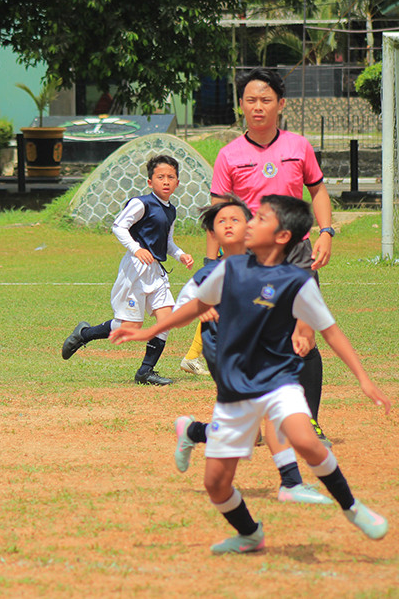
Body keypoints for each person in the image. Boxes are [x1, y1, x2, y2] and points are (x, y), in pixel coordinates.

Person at [112, 194, 391, 554]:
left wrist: (364, 380)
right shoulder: (228, 271)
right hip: (235, 389)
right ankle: (249, 534)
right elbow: (198, 305)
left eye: (259, 218)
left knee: (305, 440)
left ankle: (352, 508)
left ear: (281, 236)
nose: (249, 223)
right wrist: (148, 331)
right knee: (216, 485)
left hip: (278, 380)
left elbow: (331, 331)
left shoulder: (297, 281)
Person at [171, 195, 331, 505]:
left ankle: (194, 432)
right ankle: (289, 482)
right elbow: (181, 312)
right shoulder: (208, 274)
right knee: (256, 427)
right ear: (214, 234)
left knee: (262, 422)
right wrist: (200, 310)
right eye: (222, 222)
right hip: (225, 354)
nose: (230, 225)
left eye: (238, 219)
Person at [207, 67, 336, 444]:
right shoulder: (229, 155)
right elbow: (219, 216)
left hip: (297, 255)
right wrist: (213, 265)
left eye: (266, 100)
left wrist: (326, 232)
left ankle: (308, 423)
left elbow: (319, 191)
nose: (258, 107)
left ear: (281, 104)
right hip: (249, 260)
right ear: (241, 105)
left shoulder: (299, 147)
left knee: (304, 336)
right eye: (250, 100)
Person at [61, 154, 194, 386]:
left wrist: (180, 254)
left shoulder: (171, 210)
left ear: (177, 183)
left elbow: (168, 242)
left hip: (156, 271)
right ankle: (84, 334)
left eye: (171, 177)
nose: (166, 181)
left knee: (167, 319)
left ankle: (145, 372)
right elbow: (119, 226)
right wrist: (135, 249)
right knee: (131, 326)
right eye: (160, 176)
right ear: (150, 182)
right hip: (135, 270)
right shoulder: (141, 203)